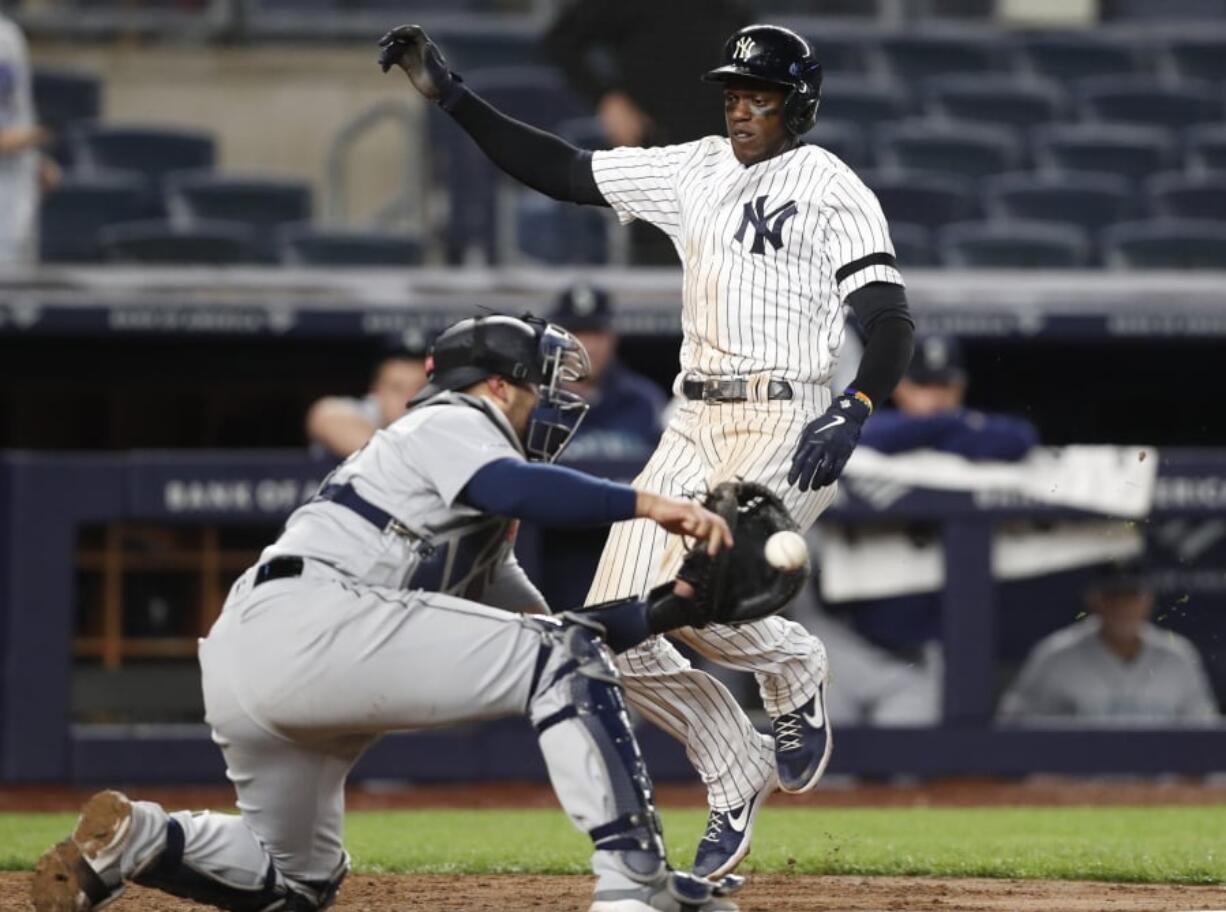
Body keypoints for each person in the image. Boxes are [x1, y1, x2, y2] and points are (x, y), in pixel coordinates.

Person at [379, 23, 916, 878]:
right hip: (693, 419)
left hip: (786, 415)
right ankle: (736, 756)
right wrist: (454, 97)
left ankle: (788, 663)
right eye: (734, 93)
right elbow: (559, 170)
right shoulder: (693, 167)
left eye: (760, 95)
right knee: (617, 633)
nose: (742, 108)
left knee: (713, 587)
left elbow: (889, 319)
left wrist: (855, 404)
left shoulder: (829, 185)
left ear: (799, 103)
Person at [32, 314, 759, 912]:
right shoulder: (446, 419)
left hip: (258, 656)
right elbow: (519, 489)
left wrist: (671, 607)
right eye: (541, 387)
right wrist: (649, 502)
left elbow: (568, 638)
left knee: (297, 884)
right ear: (500, 386)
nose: (554, 402)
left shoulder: (472, 521)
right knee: (557, 659)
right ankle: (636, 881)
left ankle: (140, 840)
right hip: (312, 621)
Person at [541, 0, 752, 264]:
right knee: (663, 271)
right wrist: (607, 100)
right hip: (655, 151)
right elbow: (561, 42)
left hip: (725, 156)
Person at [998, 561, 1220, 725]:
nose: (1122, 605)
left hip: (1160, 785)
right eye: (1113, 595)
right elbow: (1013, 725)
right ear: (1094, 599)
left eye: (1131, 595)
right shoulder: (1055, 654)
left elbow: (1203, 733)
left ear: (1148, 599)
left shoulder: (1178, 655)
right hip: (1077, 785)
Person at [859, 334, 1038, 460]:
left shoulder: (968, 424)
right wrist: (948, 425)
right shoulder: (877, 427)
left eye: (944, 384)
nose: (936, 394)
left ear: (961, 387)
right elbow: (863, 437)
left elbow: (1021, 437)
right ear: (900, 388)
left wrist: (928, 432)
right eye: (924, 384)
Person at [550, 282, 665, 466]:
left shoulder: (645, 401)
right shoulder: (532, 403)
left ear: (613, 338)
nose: (588, 347)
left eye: (596, 333)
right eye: (577, 333)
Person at [306, 336, 429, 459]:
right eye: (397, 388)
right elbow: (325, 417)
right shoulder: (368, 412)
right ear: (375, 392)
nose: (409, 398)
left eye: (420, 388)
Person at [0, 12, 55, 265]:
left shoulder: (9, 35)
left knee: (22, 292)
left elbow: (16, 112)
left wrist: (35, 159)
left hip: (17, 187)